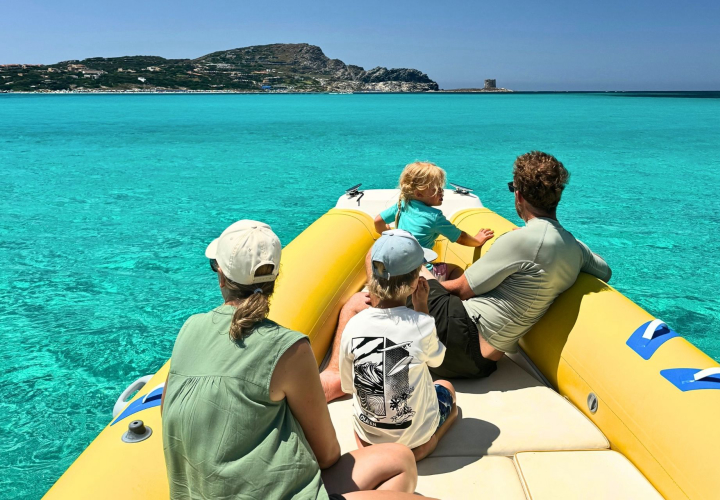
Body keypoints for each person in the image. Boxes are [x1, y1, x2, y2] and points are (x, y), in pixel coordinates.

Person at [161, 220, 431, 500]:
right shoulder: (289, 348)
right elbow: (327, 455)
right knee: (406, 470)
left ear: (221, 277)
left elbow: (169, 416)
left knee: (399, 458)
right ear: (275, 279)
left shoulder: (189, 329)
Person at [321, 151, 611, 398]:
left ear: (518, 195)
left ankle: (335, 374)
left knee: (380, 259)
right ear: (556, 197)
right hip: (482, 363)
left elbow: (460, 291)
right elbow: (605, 271)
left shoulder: (521, 240)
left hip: (458, 336)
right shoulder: (573, 247)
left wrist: (417, 283)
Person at [339, 230, 458, 462]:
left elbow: (348, 386)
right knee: (446, 388)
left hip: (370, 435)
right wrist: (422, 307)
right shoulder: (421, 324)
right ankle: (426, 446)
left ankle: (369, 446)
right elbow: (436, 361)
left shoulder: (353, 325)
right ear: (416, 282)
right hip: (414, 439)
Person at [372, 161, 493, 274]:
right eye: (436, 189)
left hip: (400, 267)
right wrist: (478, 240)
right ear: (419, 194)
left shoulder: (403, 204)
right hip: (422, 270)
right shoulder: (434, 217)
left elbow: (378, 221)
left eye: (441, 187)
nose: (442, 192)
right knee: (455, 270)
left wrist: (388, 232)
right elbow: (460, 237)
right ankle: (443, 290)